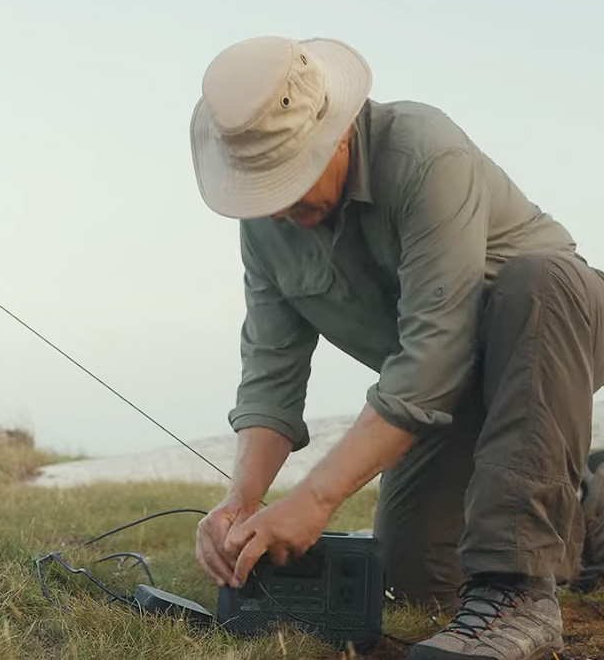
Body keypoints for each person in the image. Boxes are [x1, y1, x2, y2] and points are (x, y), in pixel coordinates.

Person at [187, 35, 604, 660]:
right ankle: (586, 512)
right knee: (415, 576)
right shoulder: (266, 227)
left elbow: (435, 355)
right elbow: (271, 377)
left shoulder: (424, 152)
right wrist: (241, 501)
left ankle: (518, 589)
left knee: (536, 280)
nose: (278, 204)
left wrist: (318, 499)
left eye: (291, 175)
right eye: (263, 187)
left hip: (553, 335)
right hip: (443, 394)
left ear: (339, 129)